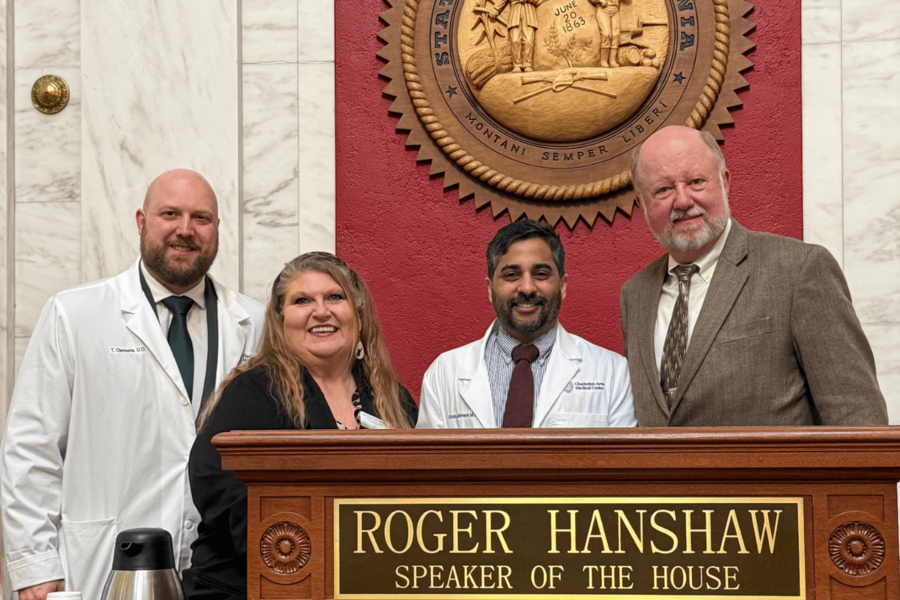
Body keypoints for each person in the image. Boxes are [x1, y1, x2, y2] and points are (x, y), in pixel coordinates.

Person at [0, 169, 264, 600]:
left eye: (201, 218)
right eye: (169, 214)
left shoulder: (253, 323)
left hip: (218, 572)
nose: (185, 230)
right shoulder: (75, 314)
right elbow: (31, 447)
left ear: (217, 229)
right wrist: (35, 566)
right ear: (141, 222)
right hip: (101, 564)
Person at [184, 252, 418, 600]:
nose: (320, 311)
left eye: (334, 297)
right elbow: (214, 479)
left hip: (363, 586)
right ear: (280, 321)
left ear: (358, 312)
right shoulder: (255, 391)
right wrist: (305, 547)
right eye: (302, 300)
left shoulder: (392, 399)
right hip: (253, 588)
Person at [621, 125, 888, 426]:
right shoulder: (635, 294)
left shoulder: (799, 270)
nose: (682, 201)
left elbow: (857, 416)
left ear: (724, 182)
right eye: (663, 189)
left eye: (696, 182)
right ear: (642, 203)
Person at [418, 220, 635, 428]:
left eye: (541, 274)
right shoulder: (444, 373)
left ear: (562, 286)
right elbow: (430, 464)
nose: (527, 288)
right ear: (490, 288)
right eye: (511, 275)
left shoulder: (612, 372)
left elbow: (622, 464)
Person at [490, 0, 545, 73]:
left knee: (529, 40)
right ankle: (517, 65)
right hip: (515, 12)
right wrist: (496, 9)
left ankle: (527, 64)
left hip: (529, 12)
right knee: (515, 40)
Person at [590, 0, 621, 67]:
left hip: (615, 9)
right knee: (606, 34)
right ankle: (604, 61)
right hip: (603, 9)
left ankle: (612, 60)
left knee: (616, 34)